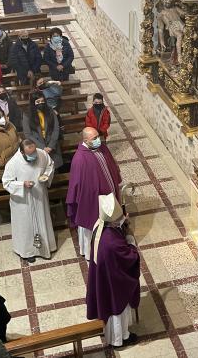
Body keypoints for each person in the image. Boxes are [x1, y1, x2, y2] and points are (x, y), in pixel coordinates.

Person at [86, 193, 140, 348]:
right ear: (113, 221)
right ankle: (120, 338)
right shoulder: (112, 243)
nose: (121, 220)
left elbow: (117, 227)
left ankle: (117, 335)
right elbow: (130, 257)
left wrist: (123, 222)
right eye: (119, 219)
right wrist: (130, 238)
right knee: (117, 308)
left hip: (105, 275)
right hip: (115, 282)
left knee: (109, 304)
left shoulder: (100, 225)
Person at [66, 127, 122, 260]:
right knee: (93, 226)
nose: (98, 140)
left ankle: (111, 246)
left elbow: (111, 165)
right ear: (85, 140)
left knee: (111, 221)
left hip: (109, 196)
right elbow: (76, 184)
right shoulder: (80, 159)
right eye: (94, 138)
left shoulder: (102, 147)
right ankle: (92, 252)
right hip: (92, 201)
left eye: (98, 136)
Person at [2, 139, 57, 263]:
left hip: (39, 196)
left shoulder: (41, 154)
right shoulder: (13, 162)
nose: (33, 156)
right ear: (22, 152)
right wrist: (22, 184)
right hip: (23, 201)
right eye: (30, 154)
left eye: (34, 152)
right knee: (25, 227)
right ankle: (27, 252)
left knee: (42, 220)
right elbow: (6, 182)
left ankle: (45, 247)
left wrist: (46, 176)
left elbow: (50, 165)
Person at [23, 91, 63, 169]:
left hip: (52, 145)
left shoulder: (50, 111)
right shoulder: (27, 114)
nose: (41, 103)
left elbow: (56, 129)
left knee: (54, 168)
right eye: (38, 101)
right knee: (42, 170)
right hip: (38, 146)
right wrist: (42, 147)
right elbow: (28, 134)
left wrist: (51, 146)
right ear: (33, 102)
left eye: (42, 101)